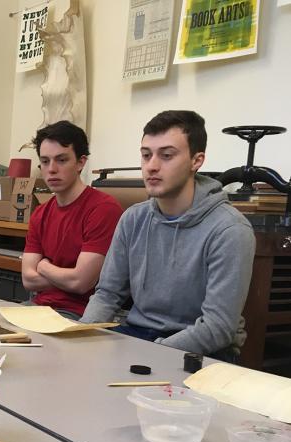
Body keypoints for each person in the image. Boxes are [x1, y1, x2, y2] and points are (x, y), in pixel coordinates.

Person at [81, 110, 256, 360]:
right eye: (146, 155)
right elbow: (108, 294)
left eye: (166, 155)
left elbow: (218, 327)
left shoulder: (230, 230)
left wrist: (152, 354)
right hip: (137, 335)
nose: (152, 166)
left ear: (197, 161)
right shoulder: (133, 218)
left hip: (201, 350)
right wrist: (82, 337)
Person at [21, 121, 123, 318]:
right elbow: (28, 279)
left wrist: (43, 266)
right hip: (36, 307)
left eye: (61, 160)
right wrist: (68, 276)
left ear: (80, 162)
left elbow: (81, 283)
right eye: (45, 161)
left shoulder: (103, 209)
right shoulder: (40, 214)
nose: (51, 169)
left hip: (77, 314)